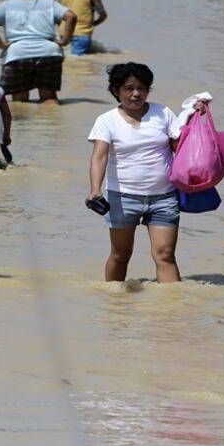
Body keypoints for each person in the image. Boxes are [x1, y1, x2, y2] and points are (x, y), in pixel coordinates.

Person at [87, 63, 184, 283]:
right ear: (116, 91)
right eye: (129, 88)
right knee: (121, 255)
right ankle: (114, 304)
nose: (136, 94)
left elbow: (182, 149)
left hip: (165, 196)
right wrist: (95, 190)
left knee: (166, 255)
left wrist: (196, 115)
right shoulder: (106, 120)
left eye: (142, 88)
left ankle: (173, 310)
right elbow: (99, 157)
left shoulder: (163, 113)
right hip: (123, 197)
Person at [0, 0, 76, 103]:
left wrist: (1, 45)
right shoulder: (49, 3)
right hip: (49, 52)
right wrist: (65, 41)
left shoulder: (6, 6)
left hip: (17, 54)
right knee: (49, 98)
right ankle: (52, 123)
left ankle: (24, 125)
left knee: (20, 101)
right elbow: (71, 16)